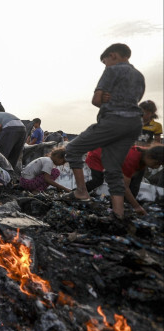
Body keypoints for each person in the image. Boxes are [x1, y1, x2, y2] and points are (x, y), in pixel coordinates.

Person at [65, 43, 145, 219]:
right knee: (113, 168)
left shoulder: (112, 70)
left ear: (113, 55)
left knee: (72, 149)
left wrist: (104, 100)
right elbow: (133, 101)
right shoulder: (139, 76)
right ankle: (118, 215)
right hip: (134, 124)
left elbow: (96, 100)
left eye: (105, 61)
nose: (106, 65)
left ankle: (81, 191)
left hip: (114, 121)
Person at [86, 145, 164, 215]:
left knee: (134, 186)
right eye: (157, 163)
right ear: (149, 157)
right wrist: (137, 206)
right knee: (97, 181)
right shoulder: (132, 159)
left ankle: (126, 206)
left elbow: (132, 185)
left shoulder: (146, 154)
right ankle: (78, 193)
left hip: (116, 158)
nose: (157, 167)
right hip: (97, 156)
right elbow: (124, 187)